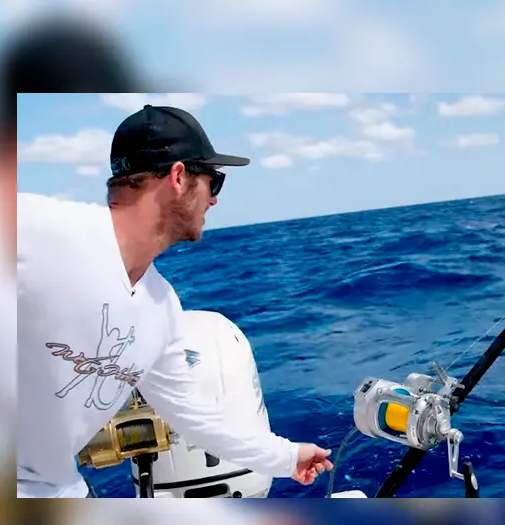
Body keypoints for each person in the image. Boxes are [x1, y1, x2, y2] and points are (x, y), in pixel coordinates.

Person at [16, 102, 334, 498]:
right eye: (213, 182)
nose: (214, 200)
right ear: (179, 176)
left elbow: (197, 418)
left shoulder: (161, 307)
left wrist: (289, 458)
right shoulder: (38, 229)